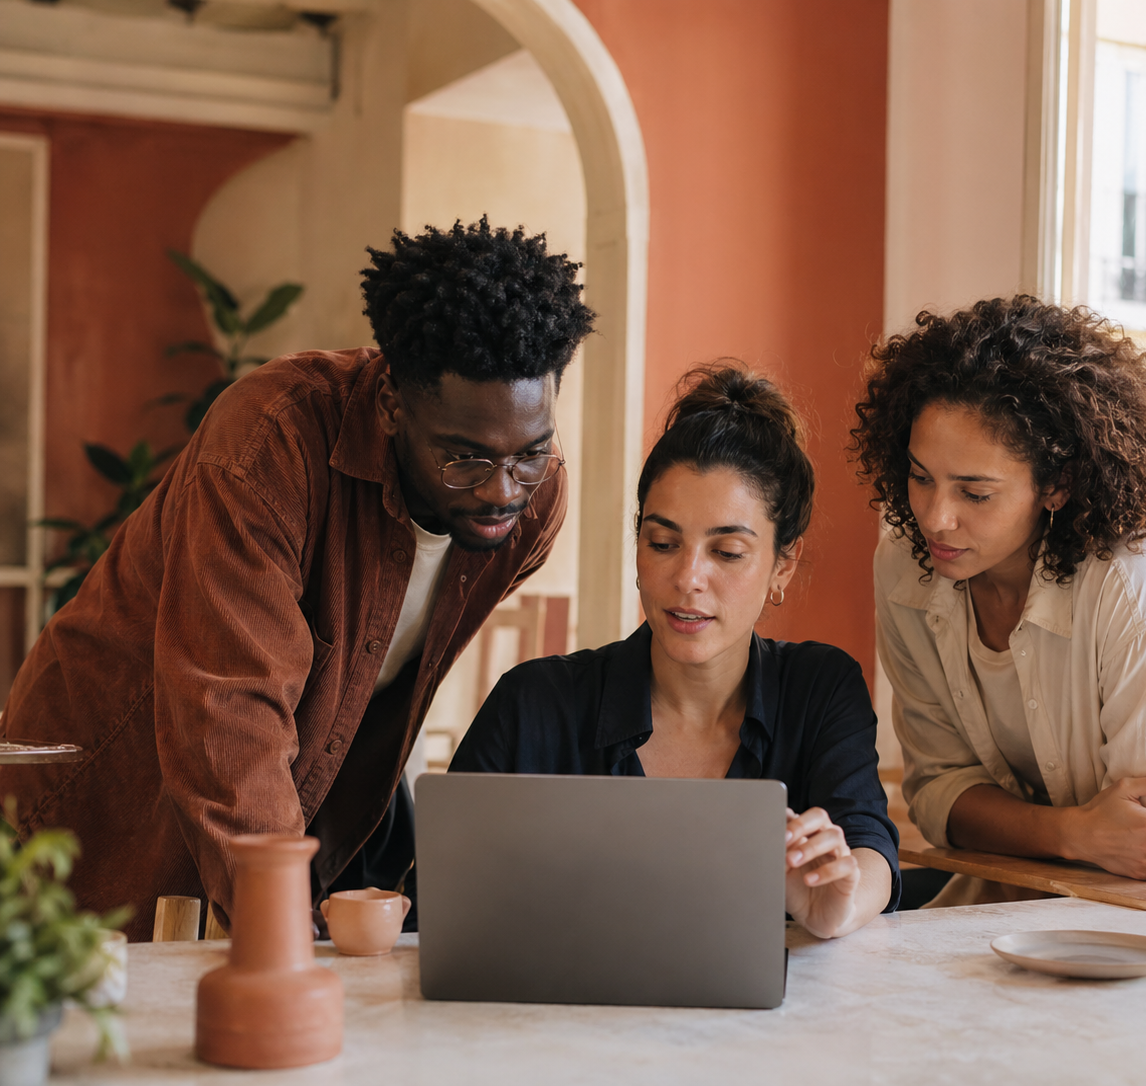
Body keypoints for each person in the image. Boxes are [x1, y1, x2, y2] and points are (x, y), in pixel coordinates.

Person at [1, 219, 594, 939]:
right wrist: (284, 932)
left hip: (268, 794)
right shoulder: (266, 444)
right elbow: (231, 712)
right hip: (104, 781)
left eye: (529, 453)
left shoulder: (533, 507)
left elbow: (374, 677)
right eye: (464, 458)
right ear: (390, 407)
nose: (502, 490)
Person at [852, 297, 1146, 907]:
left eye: (974, 493)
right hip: (1036, 894)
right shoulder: (907, 565)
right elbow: (939, 795)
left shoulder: (1140, 585)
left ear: (1056, 485)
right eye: (921, 476)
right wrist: (1075, 834)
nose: (935, 517)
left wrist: (1075, 837)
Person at [450, 364, 899, 938]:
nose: (688, 578)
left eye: (728, 552)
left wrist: (837, 906)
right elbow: (444, 891)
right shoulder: (534, 704)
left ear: (782, 564)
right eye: (663, 543)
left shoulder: (819, 687)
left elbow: (869, 844)